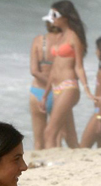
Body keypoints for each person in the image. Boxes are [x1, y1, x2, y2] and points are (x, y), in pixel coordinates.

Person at [40, 1, 96, 149]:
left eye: (54, 15)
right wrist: (45, 95)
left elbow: (79, 66)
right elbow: (53, 69)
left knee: (49, 132)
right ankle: (81, 163)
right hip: (56, 88)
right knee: (69, 137)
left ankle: (50, 166)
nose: (52, 18)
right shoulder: (60, 36)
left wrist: (87, 90)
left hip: (69, 86)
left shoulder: (74, 36)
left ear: (65, 16)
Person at [29, 16, 61, 150]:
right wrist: (52, 85)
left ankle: (38, 168)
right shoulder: (64, 41)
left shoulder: (38, 40)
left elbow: (34, 71)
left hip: (37, 92)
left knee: (38, 141)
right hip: (58, 93)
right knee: (56, 140)